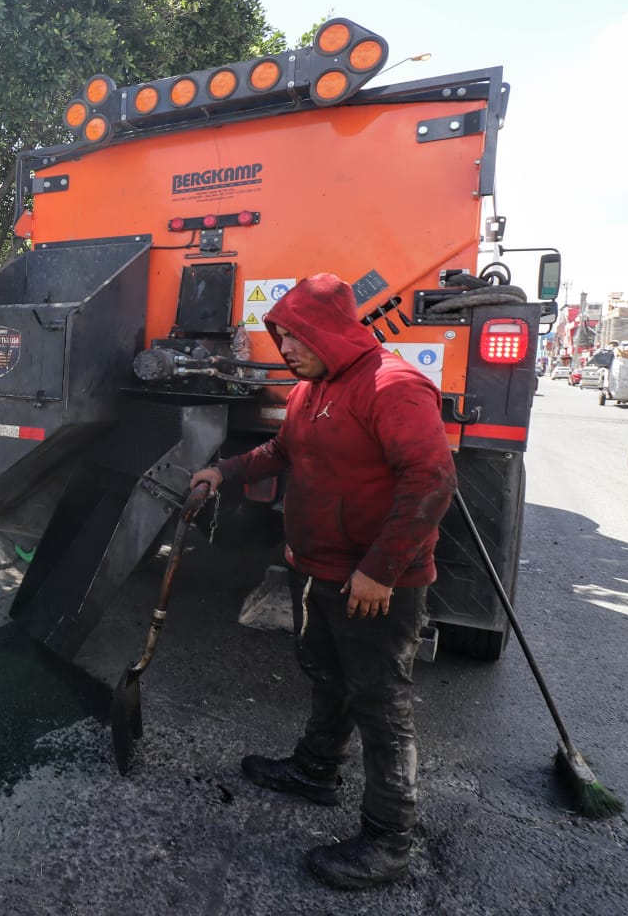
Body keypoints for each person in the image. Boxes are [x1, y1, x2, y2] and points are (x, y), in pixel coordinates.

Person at [190, 273, 456, 890]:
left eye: (294, 338)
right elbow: (283, 451)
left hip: (373, 582)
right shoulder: (314, 389)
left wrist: (379, 570)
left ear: (331, 331)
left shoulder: (392, 385)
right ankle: (315, 771)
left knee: (380, 704)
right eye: (279, 337)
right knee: (327, 675)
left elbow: (432, 481)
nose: (284, 350)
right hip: (318, 568)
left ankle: (389, 842)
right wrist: (223, 471)